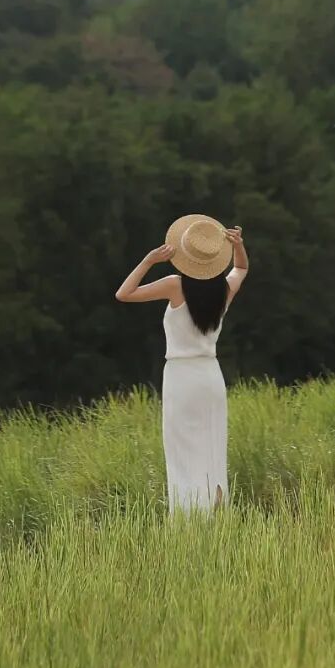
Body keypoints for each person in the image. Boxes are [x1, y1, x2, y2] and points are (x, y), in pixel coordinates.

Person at [115, 215, 249, 513]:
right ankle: (215, 513)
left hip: (181, 377)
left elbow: (124, 294)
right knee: (212, 448)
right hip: (210, 376)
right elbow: (240, 268)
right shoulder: (223, 290)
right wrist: (238, 247)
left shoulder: (175, 285)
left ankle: (190, 518)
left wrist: (149, 261)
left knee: (182, 451)